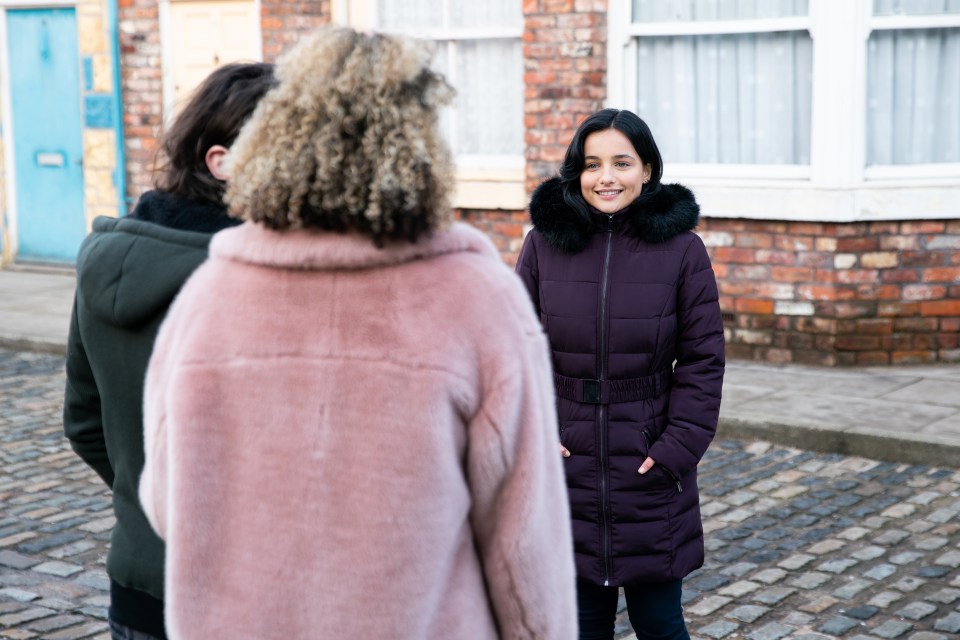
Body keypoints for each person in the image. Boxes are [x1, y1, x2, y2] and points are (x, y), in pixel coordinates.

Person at [137, 26, 577, 640]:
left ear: (277, 136)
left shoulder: (209, 296)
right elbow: (524, 542)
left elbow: (165, 503)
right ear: (419, 144)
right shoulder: (477, 300)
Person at [63, 61, 275, 640]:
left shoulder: (101, 260)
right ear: (220, 161)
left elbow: (84, 425)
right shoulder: (250, 277)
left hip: (136, 582)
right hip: (237, 591)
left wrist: (147, 499)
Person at [515, 108, 725, 640]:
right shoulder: (543, 244)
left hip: (649, 461)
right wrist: (537, 431)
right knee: (581, 625)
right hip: (568, 462)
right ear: (576, 172)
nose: (605, 177)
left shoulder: (682, 251)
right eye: (592, 164)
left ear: (648, 169)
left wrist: (676, 448)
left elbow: (703, 361)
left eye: (621, 162)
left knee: (660, 622)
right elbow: (516, 348)